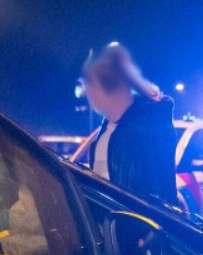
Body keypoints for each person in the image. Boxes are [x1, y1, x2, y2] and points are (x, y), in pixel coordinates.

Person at [72, 44, 178, 208]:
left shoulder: (148, 124)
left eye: (95, 86)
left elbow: (162, 184)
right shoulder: (107, 127)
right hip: (108, 217)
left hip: (137, 221)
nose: (90, 94)